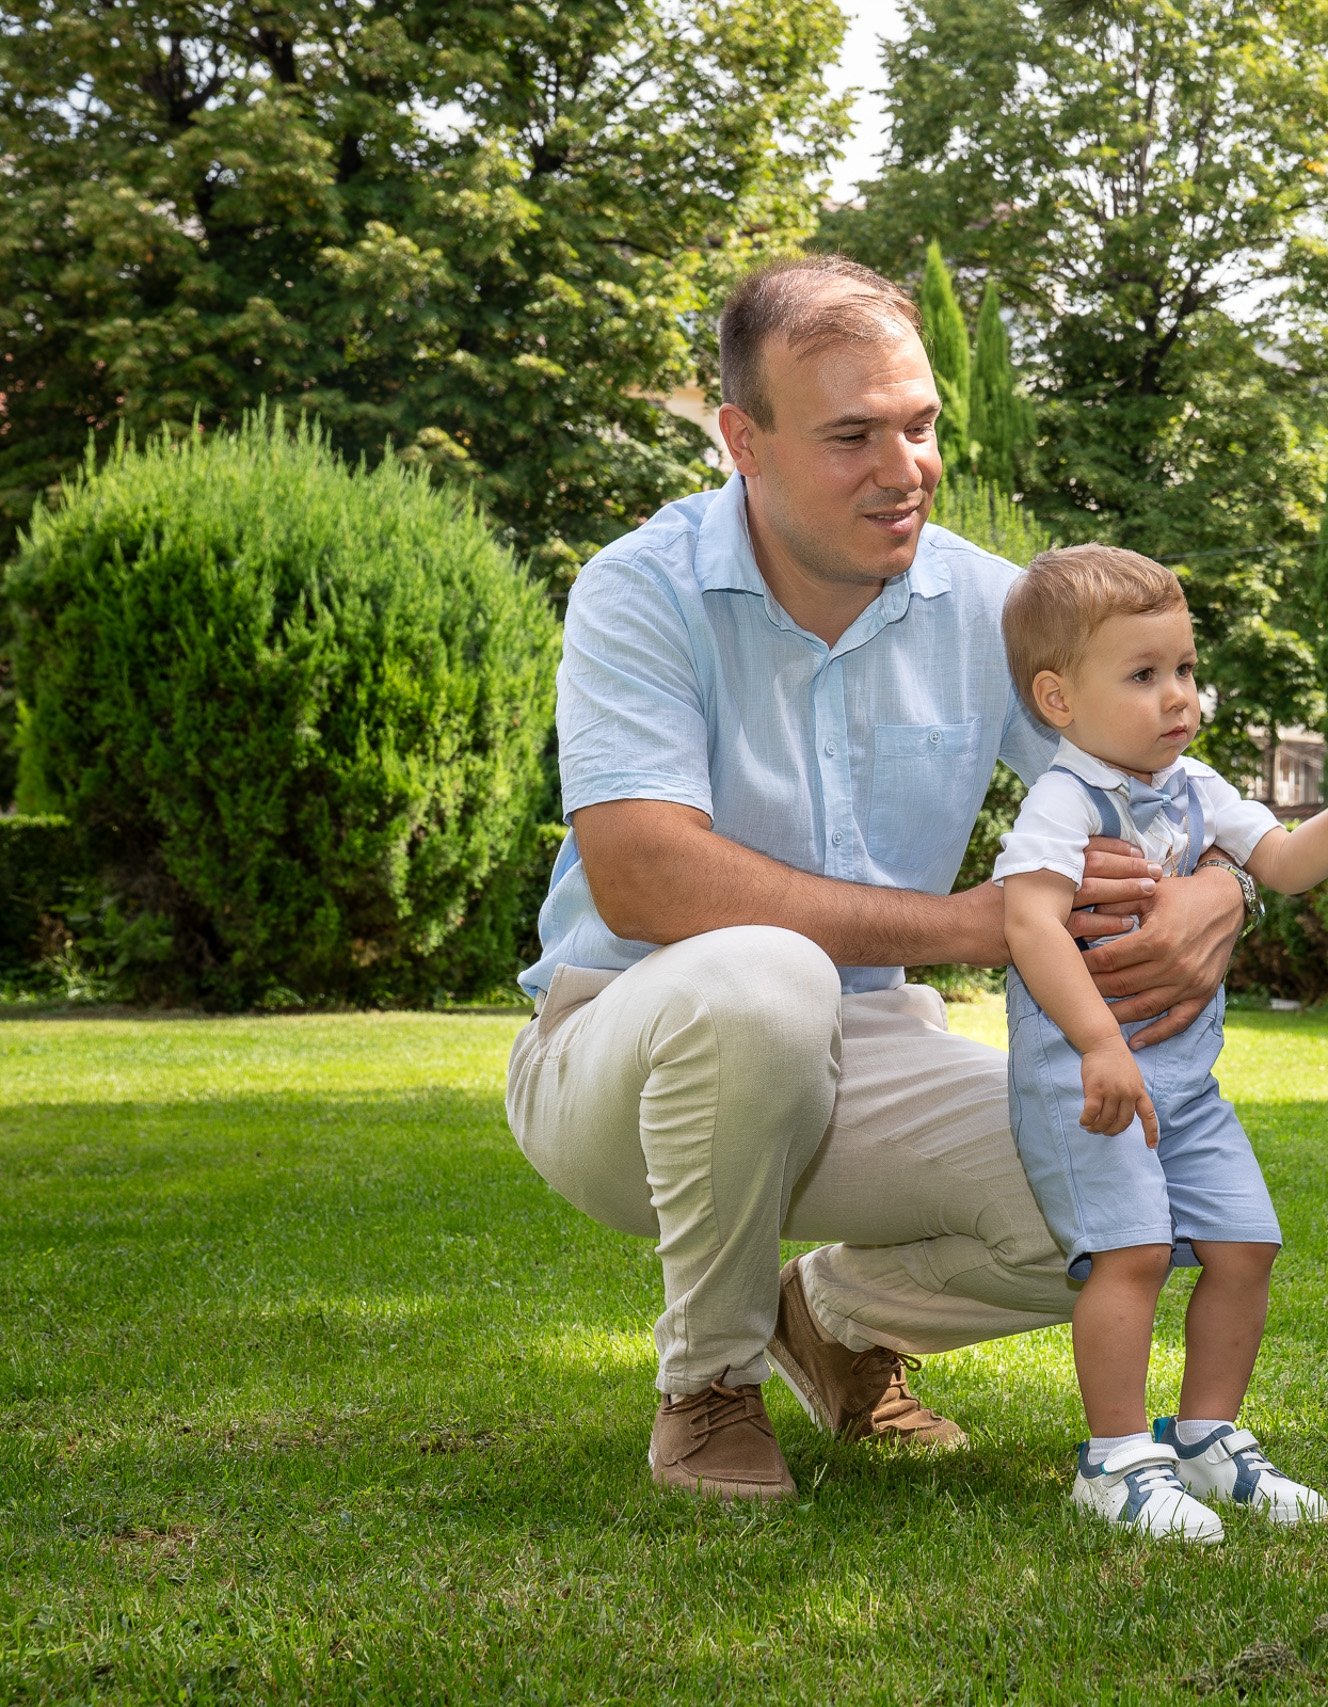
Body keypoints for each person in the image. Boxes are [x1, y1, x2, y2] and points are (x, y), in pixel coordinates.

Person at [504, 255, 1255, 1501]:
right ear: (743, 440)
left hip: (872, 1044)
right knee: (761, 980)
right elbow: (641, 878)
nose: (902, 470)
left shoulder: (993, 606)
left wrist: (1222, 892)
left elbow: (1176, 784)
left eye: (919, 426)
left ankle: (834, 1319)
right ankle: (708, 1382)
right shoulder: (640, 589)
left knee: (1148, 1187)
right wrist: (974, 927)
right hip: (619, 1053)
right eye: (852, 435)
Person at [993, 545, 1328, 1542]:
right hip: (1092, 1081)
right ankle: (1113, 1460)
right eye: (1144, 675)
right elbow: (1028, 924)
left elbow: (1282, 866)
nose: (1179, 698)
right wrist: (1096, 1045)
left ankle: (1206, 1438)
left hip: (1184, 1084)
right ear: (1056, 699)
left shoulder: (1196, 786)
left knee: (1245, 1244)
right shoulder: (1066, 800)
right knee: (1132, 1255)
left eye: (1186, 670)